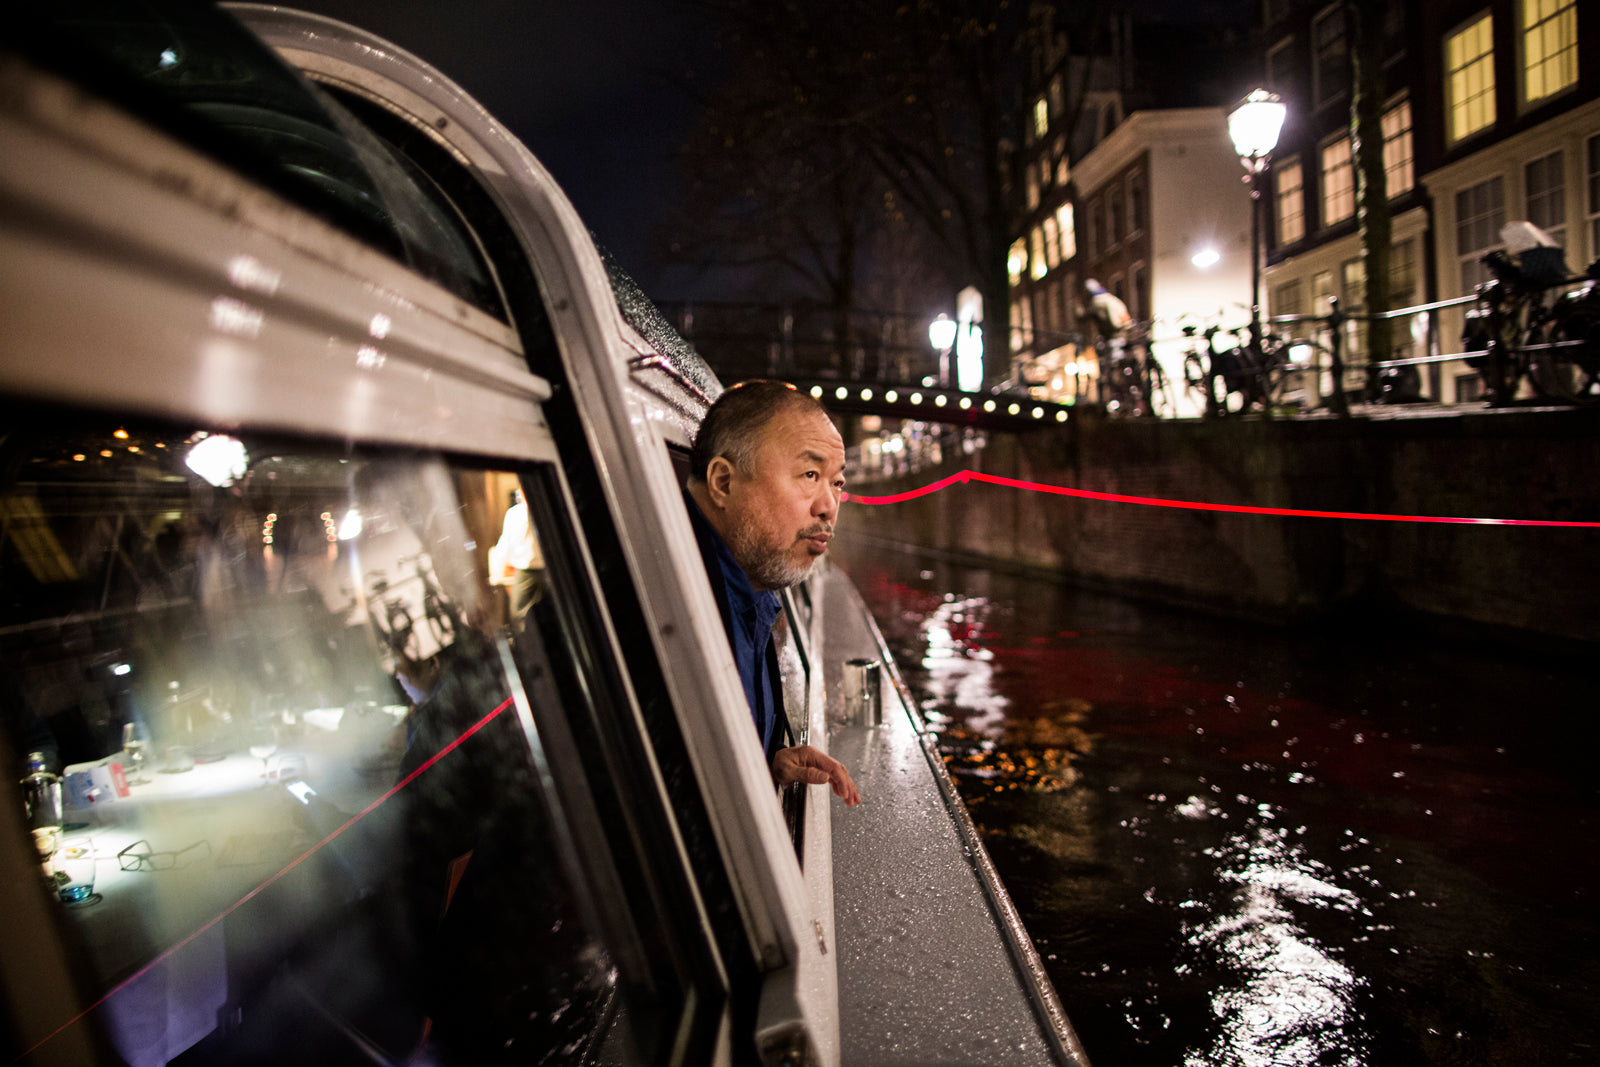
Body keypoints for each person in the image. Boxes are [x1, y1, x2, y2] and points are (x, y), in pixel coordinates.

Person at [685, 381, 861, 807]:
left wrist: (766, 762)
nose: (829, 505)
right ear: (723, 482)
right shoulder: (668, 607)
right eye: (809, 475)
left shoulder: (747, 585)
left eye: (836, 482)